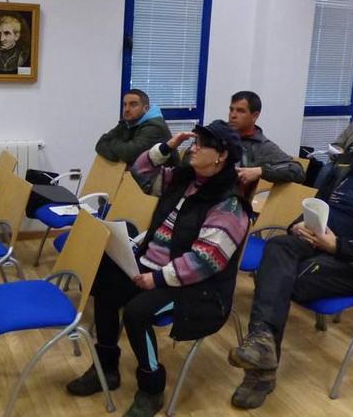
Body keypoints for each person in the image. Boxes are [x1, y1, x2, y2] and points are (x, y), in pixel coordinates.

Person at [228, 112, 353, 410]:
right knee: (279, 244)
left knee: (282, 279)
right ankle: (263, 349)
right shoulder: (344, 170)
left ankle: (261, 367)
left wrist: (338, 246)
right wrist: (296, 225)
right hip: (317, 244)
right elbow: (316, 206)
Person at [68, 121, 251, 417]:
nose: (194, 148)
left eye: (202, 145)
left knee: (138, 313)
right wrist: (167, 147)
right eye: (194, 142)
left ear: (222, 156)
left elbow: (205, 261)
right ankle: (106, 368)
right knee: (104, 285)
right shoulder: (183, 180)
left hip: (196, 287)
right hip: (153, 266)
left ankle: (151, 389)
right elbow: (140, 173)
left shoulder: (229, 205)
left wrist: (157, 278)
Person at [228, 91, 305, 195]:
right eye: (231, 109)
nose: (233, 115)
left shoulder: (262, 146)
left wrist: (261, 171)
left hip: (231, 205)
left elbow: (297, 171)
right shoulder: (220, 134)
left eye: (240, 111)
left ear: (255, 116)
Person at [95, 89, 173, 165]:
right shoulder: (127, 122)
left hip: (164, 176)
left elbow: (129, 154)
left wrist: (113, 142)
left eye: (133, 104)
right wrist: (115, 156)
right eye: (125, 104)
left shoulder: (154, 127)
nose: (127, 109)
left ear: (146, 109)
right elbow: (100, 144)